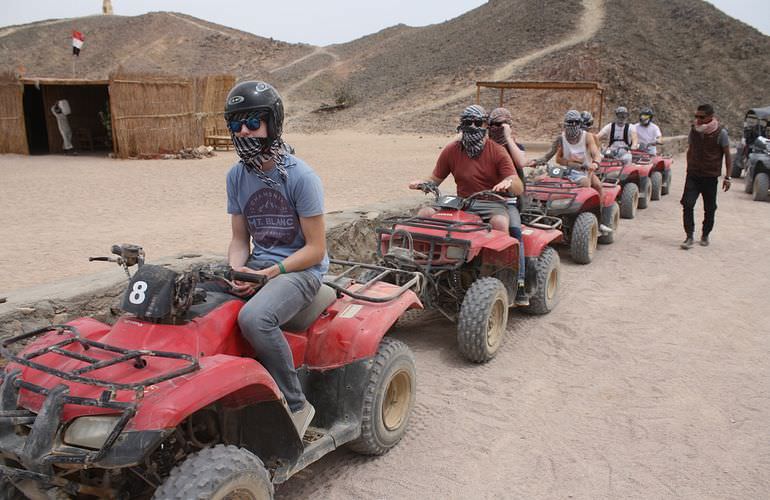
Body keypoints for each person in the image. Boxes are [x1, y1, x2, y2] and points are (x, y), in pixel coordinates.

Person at [222, 80, 328, 436]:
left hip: (301, 269)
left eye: (253, 122)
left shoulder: (301, 177)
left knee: (255, 318)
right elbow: (239, 239)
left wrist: (270, 272)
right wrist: (237, 268)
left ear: (272, 122)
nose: (244, 132)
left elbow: (316, 249)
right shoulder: (236, 176)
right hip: (261, 265)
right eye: (236, 125)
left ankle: (296, 404)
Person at [408, 104, 529, 306]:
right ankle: (420, 269)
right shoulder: (452, 150)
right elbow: (435, 179)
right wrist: (423, 184)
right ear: (461, 125)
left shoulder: (497, 151)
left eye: (478, 123)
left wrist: (508, 183)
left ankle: (497, 277)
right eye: (468, 123)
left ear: (485, 125)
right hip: (461, 202)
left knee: (500, 223)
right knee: (425, 212)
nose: (473, 126)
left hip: (490, 201)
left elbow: (518, 185)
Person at [680, 103, 732, 249]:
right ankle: (689, 236)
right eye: (696, 116)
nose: (698, 120)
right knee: (687, 204)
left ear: (710, 117)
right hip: (693, 174)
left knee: (710, 208)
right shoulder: (694, 130)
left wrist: (727, 177)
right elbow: (690, 149)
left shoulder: (721, 133)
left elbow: (727, 156)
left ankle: (705, 234)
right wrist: (689, 166)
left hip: (710, 176)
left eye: (701, 117)